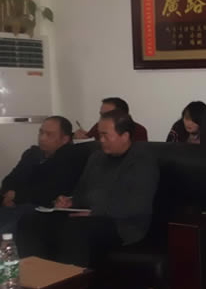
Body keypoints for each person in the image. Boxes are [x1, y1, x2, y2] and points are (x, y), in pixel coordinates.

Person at [17, 110, 159, 267]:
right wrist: (70, 201)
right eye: (99, 134)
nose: (101, 140)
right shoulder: (97, 157)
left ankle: (70, 280)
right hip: (90, 214)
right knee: (31, 220)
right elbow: (82, 190)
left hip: (122, 224)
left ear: (124, 136)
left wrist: (96, 211)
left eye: (105, 135)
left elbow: (137, 205)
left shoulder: (142, 161)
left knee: (75, 229)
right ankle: (35, 274)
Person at [0, 116, 82, 235]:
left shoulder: (70, 157)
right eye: (41, 132)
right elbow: (11, 178)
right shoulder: (32, 154)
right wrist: (8, 194)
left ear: (65, 139)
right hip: (15, 203)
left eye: (49, 135)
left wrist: (17, 196)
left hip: (39, 209)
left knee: (7, 229)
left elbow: (51, 191)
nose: (42, 138)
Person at [74, 97, 148, 141]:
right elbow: (89, 141)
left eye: (107, 115)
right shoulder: (99, 126)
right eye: (101, 115)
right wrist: (80, 138)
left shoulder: (138, 130)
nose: (102, 118)